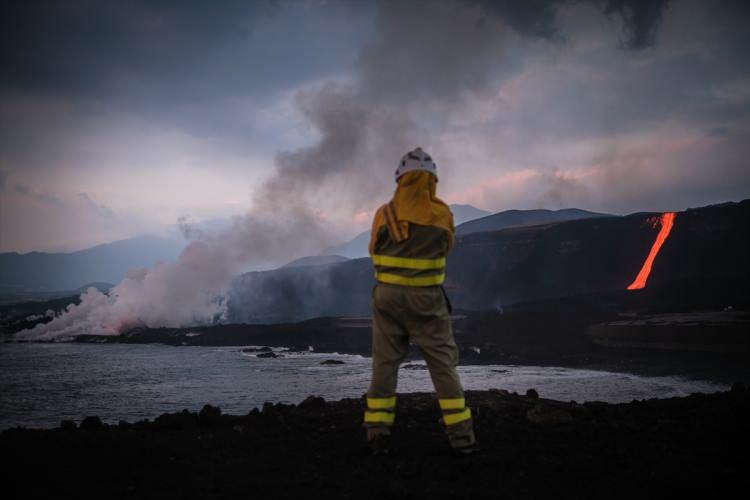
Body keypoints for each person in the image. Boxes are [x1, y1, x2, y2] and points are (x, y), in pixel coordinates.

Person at [363, 147, 477, 455]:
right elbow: (447, 248)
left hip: (387, 298)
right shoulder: (442, 215)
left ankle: (377, 433)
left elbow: (373, 251)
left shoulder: (384, 214)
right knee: (443, 365)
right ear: (432, 181)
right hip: (428, 300)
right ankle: (462, 438)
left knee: (385, 364)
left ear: (400, 180)